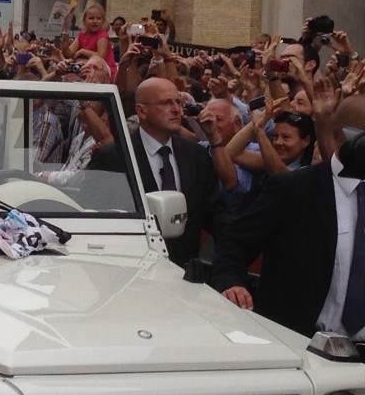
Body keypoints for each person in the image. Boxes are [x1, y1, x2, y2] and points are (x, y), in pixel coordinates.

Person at [212, 94, 365, 340]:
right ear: (341, 135)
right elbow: (234, 244)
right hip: (301, 344)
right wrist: (232, 284)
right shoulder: (294, 189)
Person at [87, 77, 229, 267]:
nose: (176, 109)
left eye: (178, 102)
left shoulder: (196, 155)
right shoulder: (113, 157)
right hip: (127, 271)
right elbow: (93, 219)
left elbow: (215, 215)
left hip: (183, 273)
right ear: (141, 111)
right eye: (166, 103)